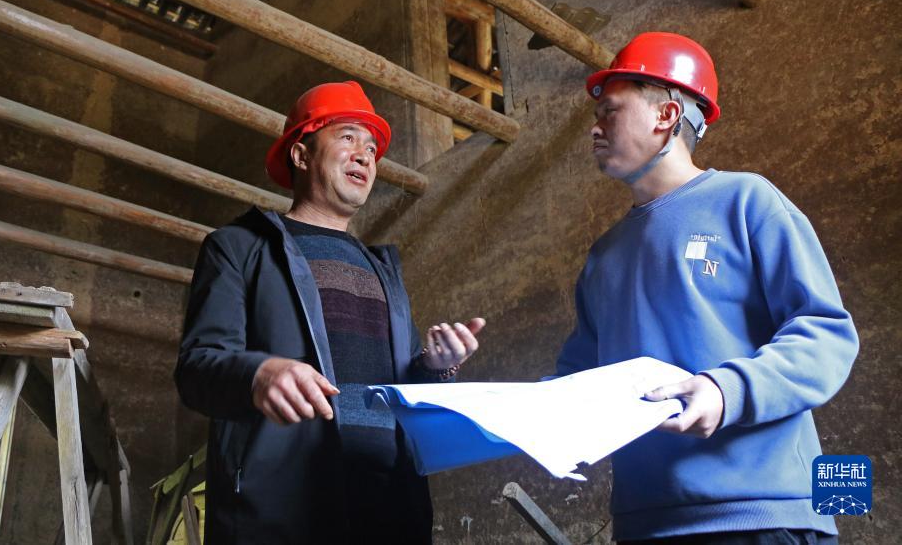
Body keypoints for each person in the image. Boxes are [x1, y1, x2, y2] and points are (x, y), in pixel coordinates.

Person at [554, 32, 859, 544]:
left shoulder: (746, 201)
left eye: (610, 111)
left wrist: (725, 389)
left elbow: (828, 336)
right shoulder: (604, 255)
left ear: (666, 115)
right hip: (645, 524)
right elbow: (579, 379)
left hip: (763, 516)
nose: (595, 127)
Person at [175, 80, 485, 544]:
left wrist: (437, 367)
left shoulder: (382, 270)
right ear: (301, 155)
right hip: (287, 508)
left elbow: (401, 391)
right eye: (347, 137)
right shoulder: (238, 248)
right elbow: (197, 368)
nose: (365, 156)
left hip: (390, 505)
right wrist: (258, 374)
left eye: (372, 148)